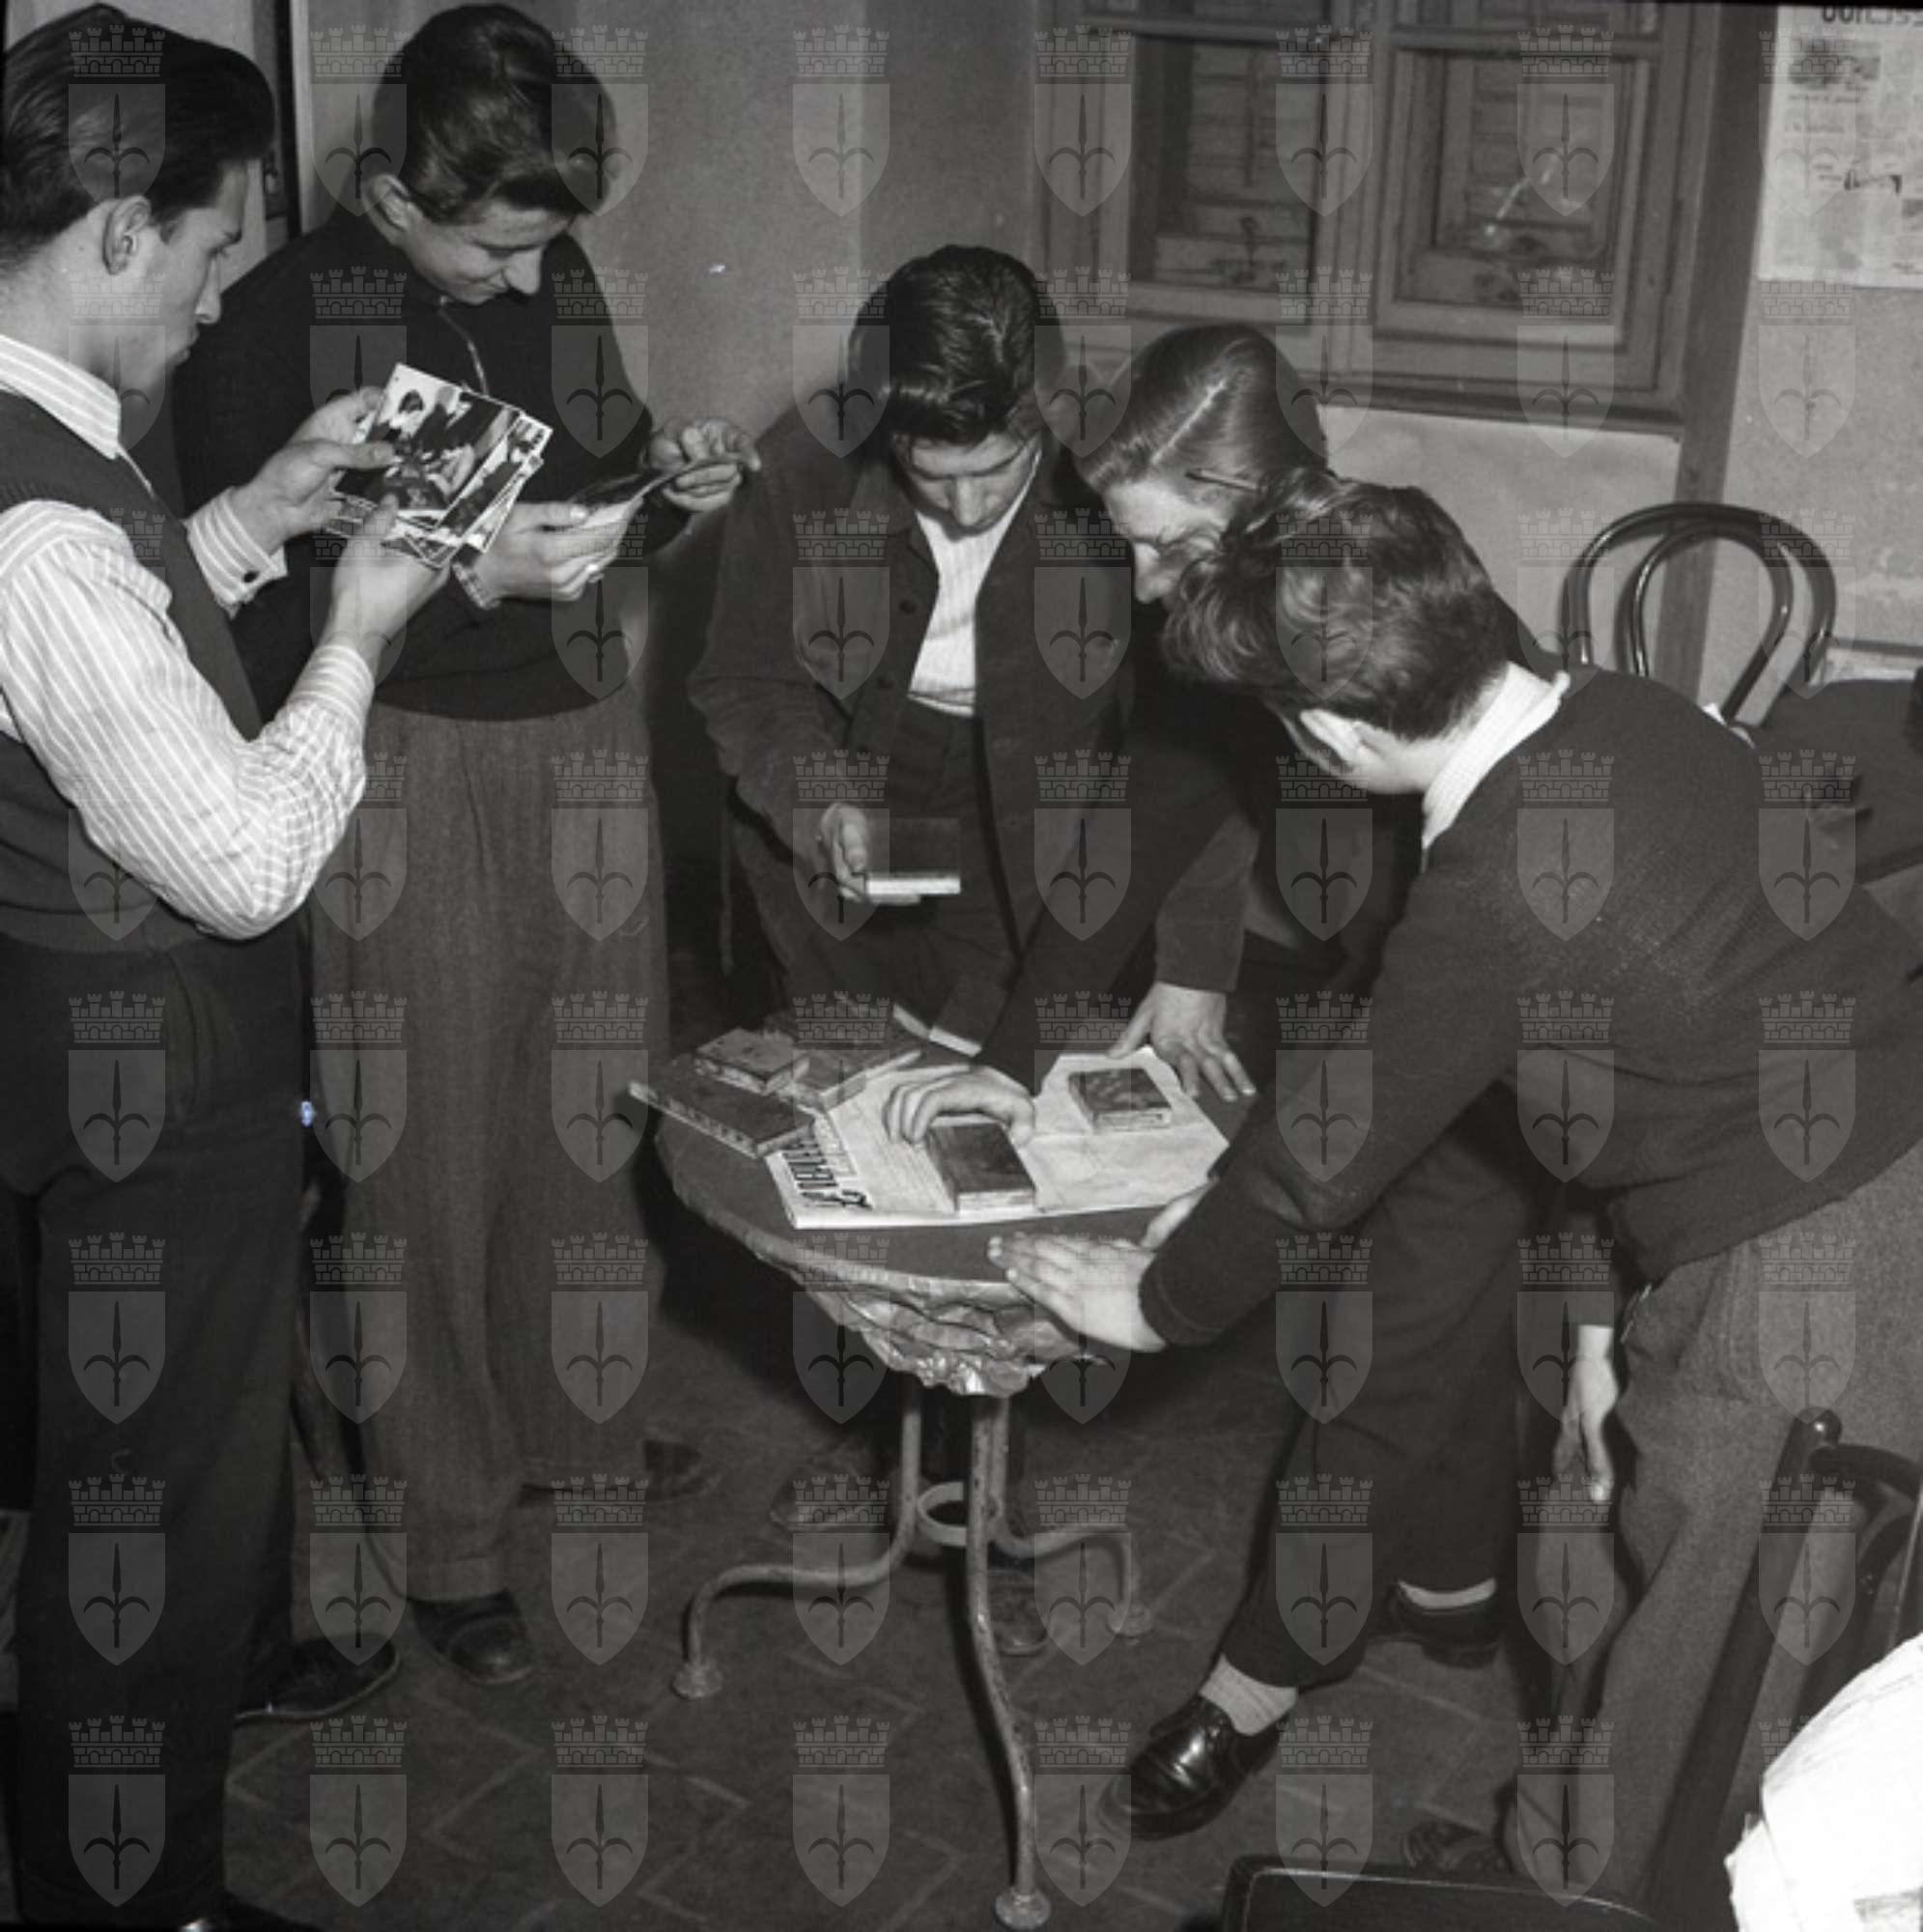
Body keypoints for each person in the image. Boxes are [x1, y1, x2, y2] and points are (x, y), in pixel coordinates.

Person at [898, 474, 1923, 1889]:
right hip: (1836, 1178)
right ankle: (1553, 1856)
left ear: (1327, 733)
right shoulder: (1631, 712)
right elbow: (1653, 1044)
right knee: (1646, 1596)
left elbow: (1320, 1159)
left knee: (1697, 1719)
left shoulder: (1494, 885)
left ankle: (1573, 1902)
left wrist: (1153, 1305)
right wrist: (1604, 1321)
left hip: (1807, 1272)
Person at [175, 2, 756, 1692]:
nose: (528, 277)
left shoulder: (546, 275)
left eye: (547, 243)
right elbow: (242, 626)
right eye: (494, 248)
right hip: (397, 762)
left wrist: (668, 488)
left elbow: (595, 474)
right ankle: (444, 1537)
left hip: (578, 739)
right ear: (390, 193)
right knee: (419, 1158)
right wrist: (470, 582)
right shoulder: (271, 324)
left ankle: (579, 1432)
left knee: (589, 1116)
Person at [0, 8, 445, 1924]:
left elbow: (93, 657)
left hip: (80, 1038)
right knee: (151, 1528)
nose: (212, 299)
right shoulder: (40, 520)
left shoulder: (48, 462)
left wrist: (257, 519)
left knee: (149, 1487)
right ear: (118, 231)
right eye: (205, 252)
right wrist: (361, 631)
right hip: (156, 1077)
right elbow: (251, 861)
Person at [689, 253, 1272, 1641]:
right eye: (926, 472)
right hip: (850, 801)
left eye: (992, 471)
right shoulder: (804, 461)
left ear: (1047, 411)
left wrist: (1196, 957)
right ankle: (881, 1439)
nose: (957, 503)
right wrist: (815, 799)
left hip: (1048, 821)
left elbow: (1202, 735)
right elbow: (743, 678)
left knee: (996, 1121)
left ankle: (985, 1456)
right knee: (856, 1122)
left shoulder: (1122, 478)